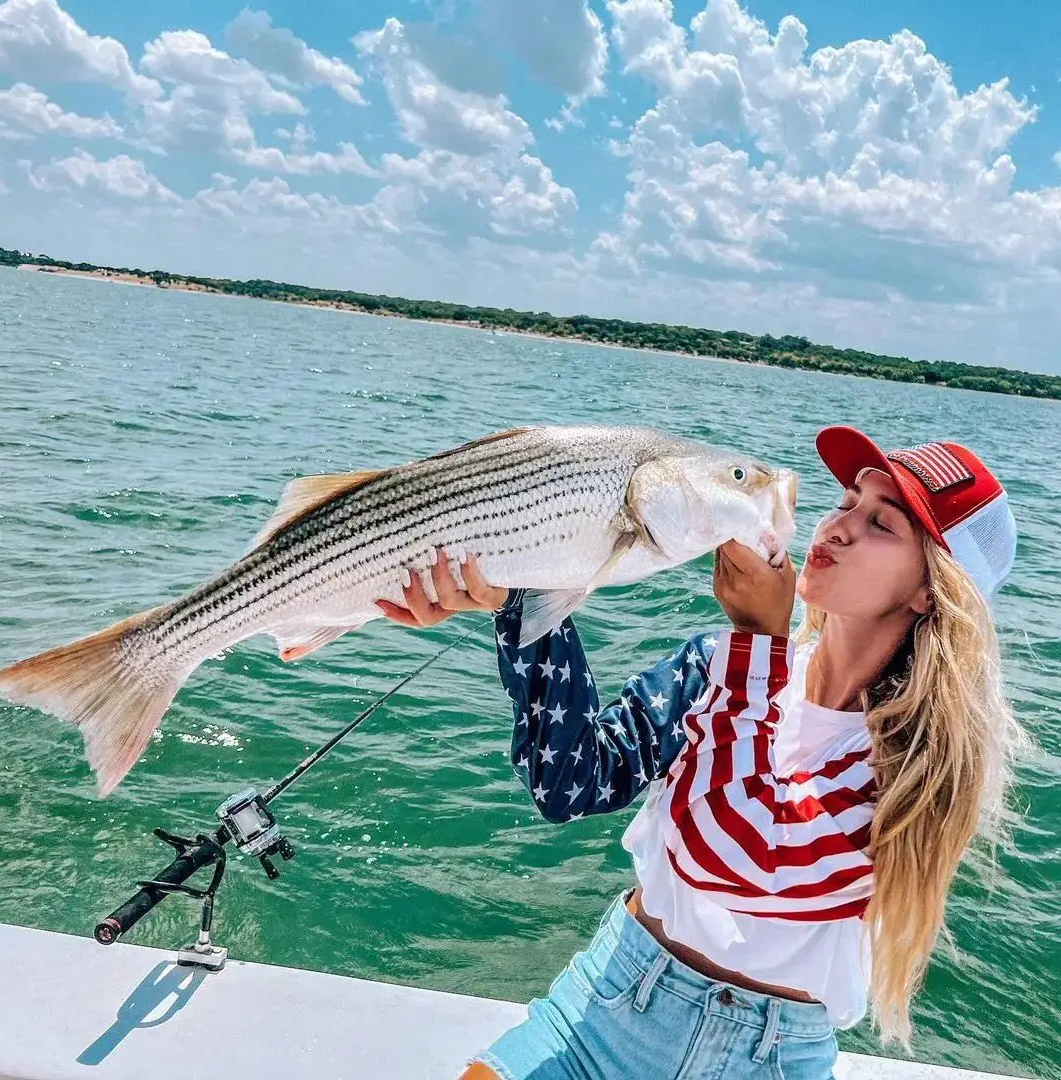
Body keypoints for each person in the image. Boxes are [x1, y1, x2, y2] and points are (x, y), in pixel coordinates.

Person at [375, 426, 1022, 1080]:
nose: (840, 525)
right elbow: (571, 781)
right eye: (847, 500)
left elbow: (743, 859)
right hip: (605, 1008)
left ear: (929, 590)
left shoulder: (915, 763)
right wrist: (521, 597)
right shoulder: (718, 665)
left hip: (766, 1061)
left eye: (881, 523)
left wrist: (759, 638)